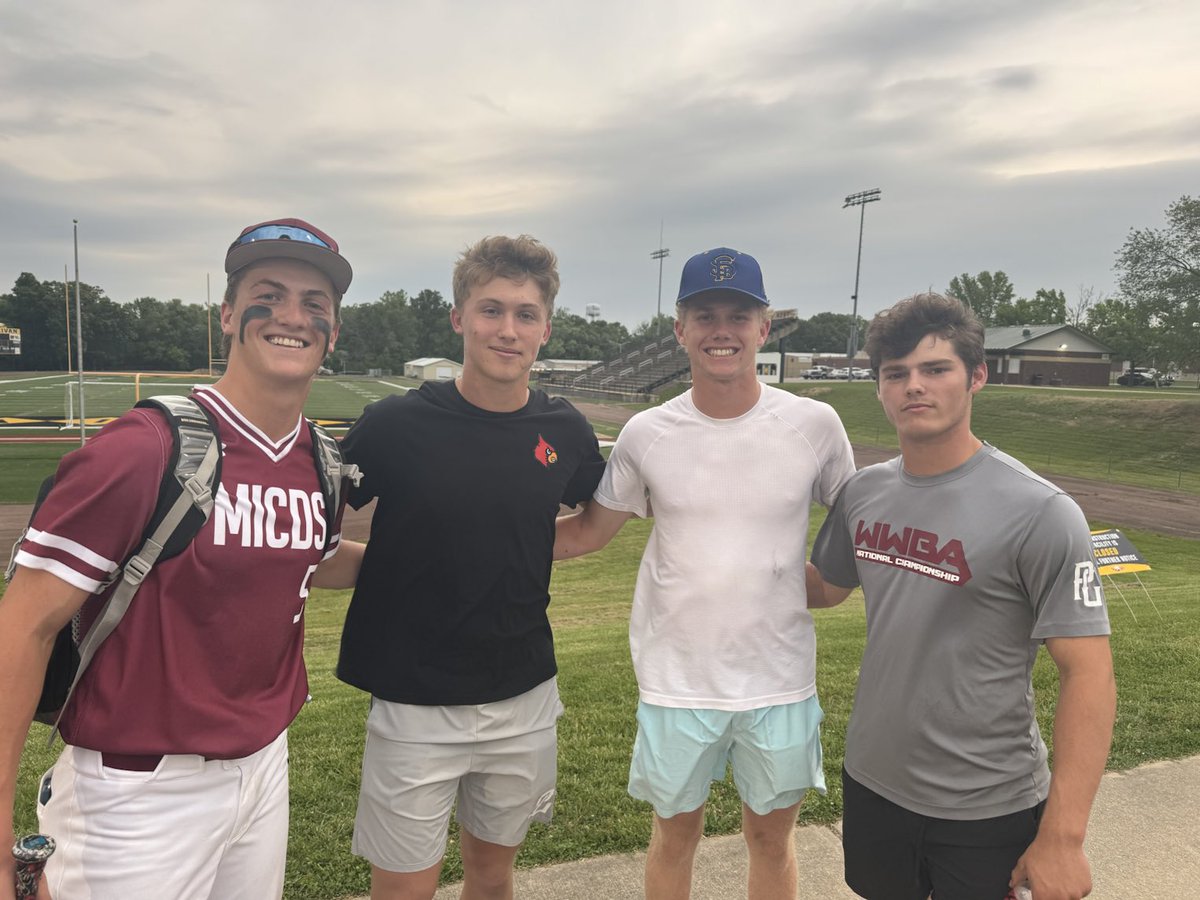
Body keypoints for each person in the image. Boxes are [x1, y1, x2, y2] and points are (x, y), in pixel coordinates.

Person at [0, 217, 365, 900]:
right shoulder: (141, 449)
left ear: (334, 331)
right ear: (227, 314)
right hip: (136, 793)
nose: (292, 316)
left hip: (264, 767)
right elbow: (22, 627)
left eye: (314, 303)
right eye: (267, 295)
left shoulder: (320, 459)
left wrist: (433, 562)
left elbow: (305, 558)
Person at [554, 247, 856, 900]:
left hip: (778, 679)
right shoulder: (647, 433)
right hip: (677, 681)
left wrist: (828, 587)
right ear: (680, 329)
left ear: (764, 328)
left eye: (738, 316)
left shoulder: (814, 425)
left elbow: (858, 527)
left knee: (771, 841)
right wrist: (482, 543)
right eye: (706, 316)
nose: (723, 330)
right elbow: (588, 533)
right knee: (673, 839)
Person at [807, 292, 1116, 900]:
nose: (913, 387)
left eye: (935, 369)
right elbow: (825, 588)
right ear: (879, 387)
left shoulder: (1042, 512)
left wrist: (1063, 837)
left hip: (987, 803)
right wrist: (717, 552)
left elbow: (1089, 674)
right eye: (896, 373)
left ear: (977, 375)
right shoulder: (864, 493)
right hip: (873, 780)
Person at [336, 234, 606, 900]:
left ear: (545, 328)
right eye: (491, 310)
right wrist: (391, 564)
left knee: (492, 877)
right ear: (459, 318)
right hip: (413, 701)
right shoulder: (394, 425)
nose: (507, 329)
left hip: (523, 695)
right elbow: (308, 531)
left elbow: (589, 524)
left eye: (524, 314)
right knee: (404, 890)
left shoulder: (564, 430)